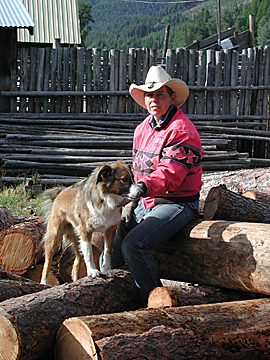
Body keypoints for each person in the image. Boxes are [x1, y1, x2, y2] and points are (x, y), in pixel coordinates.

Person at [111, 65, 203, 307]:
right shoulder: (143, 129)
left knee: (134, 245)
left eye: (160, 95)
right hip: (147, 200)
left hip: (176, 203)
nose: (154, 100)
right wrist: (131, 198)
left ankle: (153, 305)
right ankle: (112, 298)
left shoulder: (182, 131)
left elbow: (171, 175)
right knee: (113, 248)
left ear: (171, 97)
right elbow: (138, 167)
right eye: (150, 95)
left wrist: (141, 188)